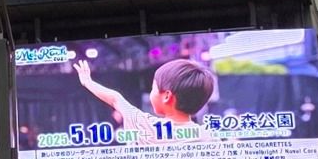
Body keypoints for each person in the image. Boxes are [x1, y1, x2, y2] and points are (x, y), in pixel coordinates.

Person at [67, 49, 217, 139]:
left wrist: (88, 82)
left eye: (153, 88)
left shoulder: (145, 125)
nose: (151, 93)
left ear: (167, 96)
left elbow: (115, 99)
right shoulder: (208, 137)